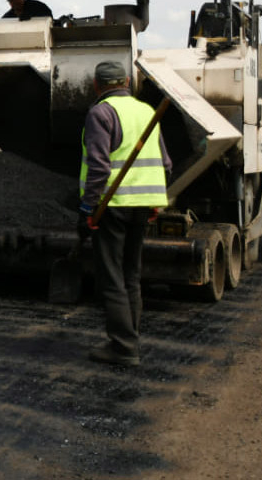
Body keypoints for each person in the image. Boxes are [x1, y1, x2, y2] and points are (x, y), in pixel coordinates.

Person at [78, 61, 172, 367]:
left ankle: (123, 346)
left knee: (112, 276)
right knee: (132, 273)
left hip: (113, 205)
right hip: (144, 205)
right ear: (128, 81)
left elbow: (99, 167)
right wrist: (154, 199)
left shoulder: (100, 113)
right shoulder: (147, 112)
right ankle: (131, 336)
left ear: (97, 85)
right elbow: (166, 164)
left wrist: (88, 207)